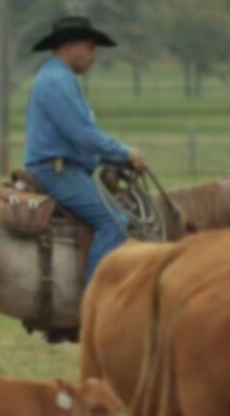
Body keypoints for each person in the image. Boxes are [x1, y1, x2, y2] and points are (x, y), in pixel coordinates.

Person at [21, 15, 145, 294]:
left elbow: (81, 139)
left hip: (65, 166)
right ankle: (95, 300)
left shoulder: (58, 77)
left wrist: (114, 158)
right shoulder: (57, 81)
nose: (94, 56)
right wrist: (125, 153)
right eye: (90, 47)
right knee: (114, 221)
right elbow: (83, 135)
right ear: (71, 46)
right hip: (57, 171)